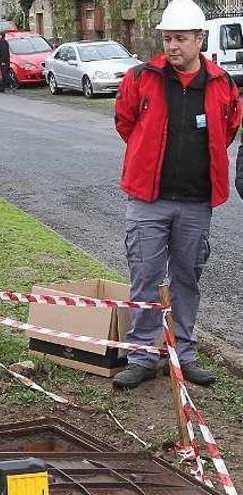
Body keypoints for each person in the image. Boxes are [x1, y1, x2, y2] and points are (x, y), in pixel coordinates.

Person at [113, 0, 241, 389]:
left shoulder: (222, 85)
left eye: (181, 39)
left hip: (195, 202)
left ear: (199, 39)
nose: (172, 47)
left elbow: (229, 130)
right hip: (148, 200)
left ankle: (183, 357)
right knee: (146, 277)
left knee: (187, 278)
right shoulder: (141, 78)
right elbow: (125, 122)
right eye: (167, 39)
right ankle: (141, 356)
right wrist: (147, 155)